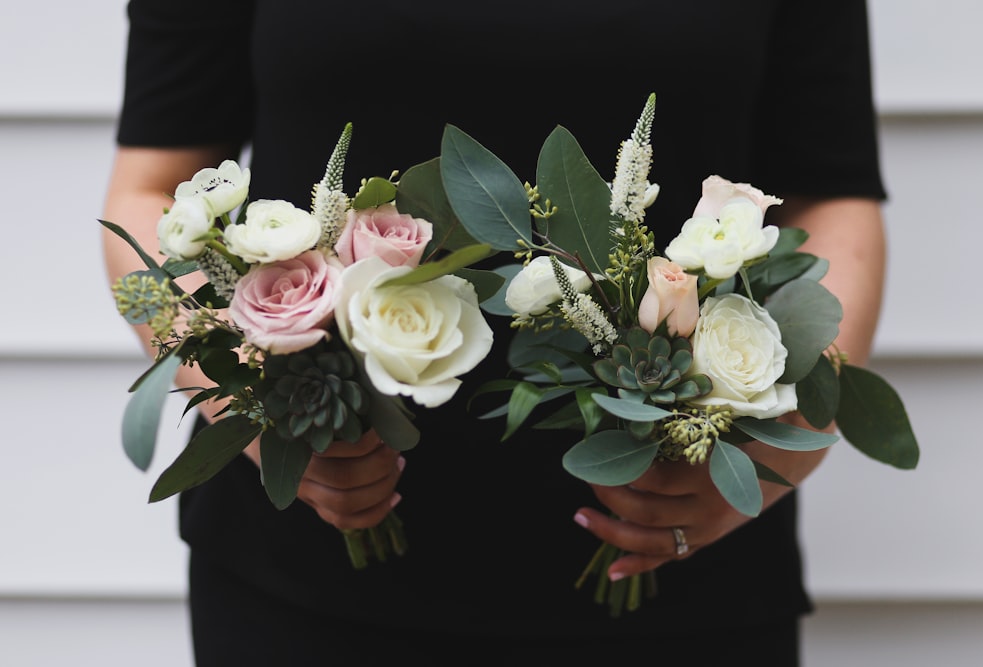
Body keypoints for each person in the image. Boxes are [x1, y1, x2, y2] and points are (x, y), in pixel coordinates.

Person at [101, 1, 887, 665]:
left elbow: (834, 201)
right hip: (307, 579)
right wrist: (255, 407)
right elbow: (143, 195)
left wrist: (774, 445)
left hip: (682, 571)